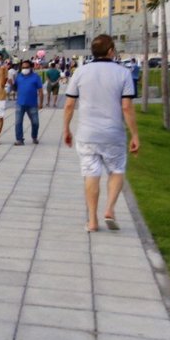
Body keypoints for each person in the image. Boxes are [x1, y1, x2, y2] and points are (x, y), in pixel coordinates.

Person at [62, 34, 141, 233]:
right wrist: (134, 135)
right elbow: (127, 108)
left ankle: (92, 221)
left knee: (91, 174)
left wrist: (66, 129)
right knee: (116, 170)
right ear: (111, 51)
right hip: (113, 133)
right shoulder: (123, 73)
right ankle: (110, 209)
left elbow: (70, 104)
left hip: (87, 133)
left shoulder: (80, 72)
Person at [10, 59, 43, 145]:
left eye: (27, 67)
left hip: (32, 103)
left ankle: (34, 137)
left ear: (31, 67)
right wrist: (11, 84)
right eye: (23, 67)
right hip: (20, 103)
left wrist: (41, 103)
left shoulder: (36, 77)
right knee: (18, 122)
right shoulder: (19, 76)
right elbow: (15, 88)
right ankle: (19, 139)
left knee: (35, 122)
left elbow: (40, 91)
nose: (25, 69)